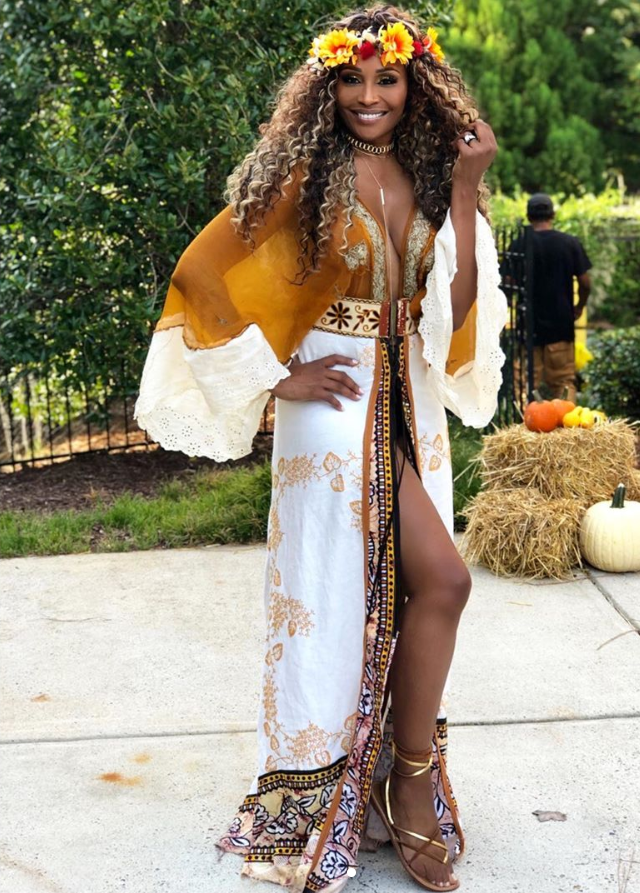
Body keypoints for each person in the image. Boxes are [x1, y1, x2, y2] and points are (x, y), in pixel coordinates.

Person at [134, 5, 507, 891]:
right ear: (327, 85)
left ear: (416, 85)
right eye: (351, 79)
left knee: (420, 588)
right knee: (397, 586)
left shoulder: (429, 172)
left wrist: (464, 188)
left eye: (387, 78)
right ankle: (376, 789)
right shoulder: (304, 174)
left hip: (409, 397)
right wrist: (276, 376)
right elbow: (201, 275)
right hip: (335, 402)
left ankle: (395, 781)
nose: (369, 96)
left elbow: (454, 310)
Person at [508, 193, 592, 400]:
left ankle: (524, 419)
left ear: (528, 216)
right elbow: (585, 283)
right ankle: (567, 420)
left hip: (528, 326)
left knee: (524, 385)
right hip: (560, 324)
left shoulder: (519, 244)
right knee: (563, 383)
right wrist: (579, 306)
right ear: (552, 215)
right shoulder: (569, 243)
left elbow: (508, 283)